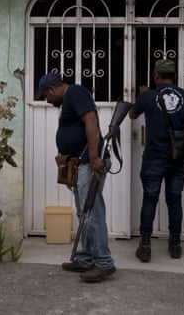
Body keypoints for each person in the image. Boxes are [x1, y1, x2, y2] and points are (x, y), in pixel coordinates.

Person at [36, 73, 116, 283]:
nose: (47, 100)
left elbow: (91, 121)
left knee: (92, 213)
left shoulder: (76, 92)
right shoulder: (71, 98)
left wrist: (93, 157)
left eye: (45, 96)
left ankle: (104, 263)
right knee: (84, 213)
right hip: (80, 164)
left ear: (52, 89)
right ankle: (86, 258)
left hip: (90, 163)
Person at [129, 58, 184, 262]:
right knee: (174, 199)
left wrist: (142, 96)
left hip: (154, 157)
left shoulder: (148, 96)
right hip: (179, 158)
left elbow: (132, 115)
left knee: (150, 199)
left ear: (156, 76)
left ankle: (144, 246)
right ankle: (175, 244)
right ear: (176, 76)